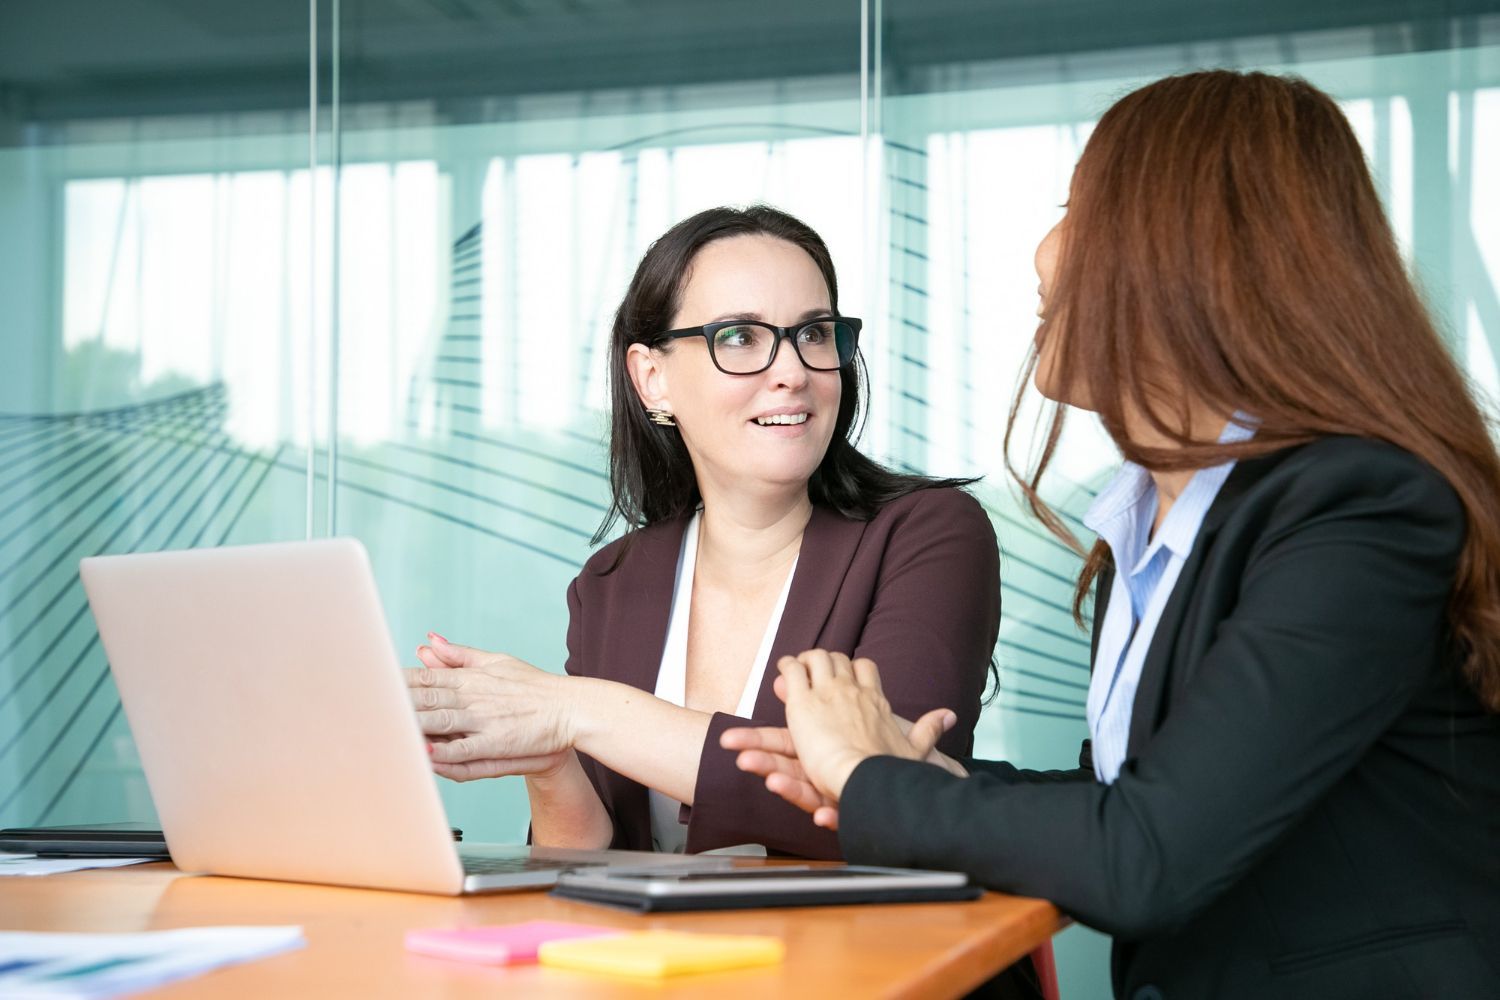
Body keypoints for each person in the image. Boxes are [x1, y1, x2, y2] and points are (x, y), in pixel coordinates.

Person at [725, 71, 1500, 999]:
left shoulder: (1357, 506)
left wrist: (863, 780)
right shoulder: (1162, 513)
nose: (1045, 250)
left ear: (1191, 246)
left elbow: (1146, 856)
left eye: (1077, 204)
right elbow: (1132, 801)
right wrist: (913, 772)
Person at [403, 205, 1000, 860]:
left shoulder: (928, 536)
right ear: (652, 378)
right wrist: (549, 760)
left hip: (866, 959)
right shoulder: (613, 581)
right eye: (740, 336)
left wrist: (574, 708)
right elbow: (587, 857)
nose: (793, 371)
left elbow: (886, 803)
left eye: (814, 333)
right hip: (657, 961)